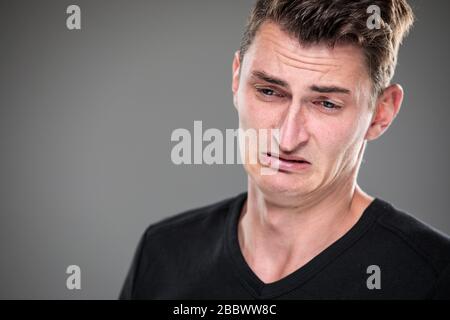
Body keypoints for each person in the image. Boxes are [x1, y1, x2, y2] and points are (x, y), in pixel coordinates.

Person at [120, 0, 450, 299]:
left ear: (382, 112)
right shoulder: (164, 253)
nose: (287, 138)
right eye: (269, 91)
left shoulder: (433, 277)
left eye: (326, 103)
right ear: (237, 79)